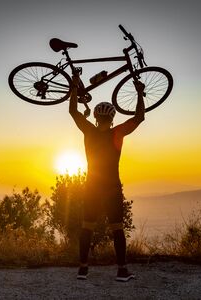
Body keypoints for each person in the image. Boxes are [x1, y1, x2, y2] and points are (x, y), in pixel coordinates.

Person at [69, 73, 145, 282]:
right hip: (111, 187)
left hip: (91, 186)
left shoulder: (89, 132)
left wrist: (75, 87)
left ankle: (83, 270)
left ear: (95, 117)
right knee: (117, 228)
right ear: (111, 119)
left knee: (87, 227)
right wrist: (139, 93)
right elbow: (139, 118)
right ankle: (122, 271)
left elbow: (73, 111)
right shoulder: (117, 133)